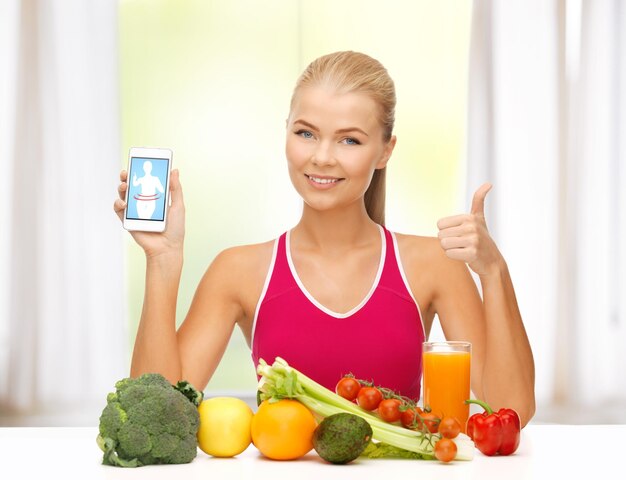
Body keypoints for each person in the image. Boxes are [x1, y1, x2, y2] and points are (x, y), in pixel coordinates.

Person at [114, 51, 535, 426]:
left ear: (385, 150)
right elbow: (153, 412)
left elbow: (511, 408)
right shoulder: (238, 271)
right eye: (306, 133)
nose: (322, 157)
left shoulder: (431, 265)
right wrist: (163, 260)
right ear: (286, 134)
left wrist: (494, 272)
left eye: (349, 139)